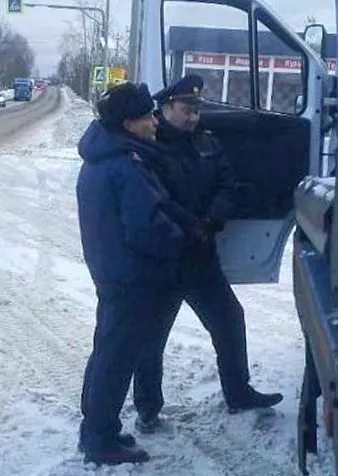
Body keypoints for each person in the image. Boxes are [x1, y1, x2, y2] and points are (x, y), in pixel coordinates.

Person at [132, 74, 284, 434]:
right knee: (151, 338)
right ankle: (148, 409)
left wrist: (213, 219)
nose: (193, 117)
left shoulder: (208, 143)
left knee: (230, 320)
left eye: (197, 110)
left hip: (201, 256)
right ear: (166, 108)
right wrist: (189, 226)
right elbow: (154, 201)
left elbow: (227, 186)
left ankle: (238, 393)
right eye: (186, 109)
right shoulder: (149, 148)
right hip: (164, 261)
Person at [75, 81, 186, 465]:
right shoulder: (124, 165)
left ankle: (97, 428)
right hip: (129, 275)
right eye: (147, 116)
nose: (155, 122)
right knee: (116, 357)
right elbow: (146, 227)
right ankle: (100, 439)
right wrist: (180, 240)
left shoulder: (105, 154)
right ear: (127, 122)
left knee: (107, 350)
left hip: (112, 271)